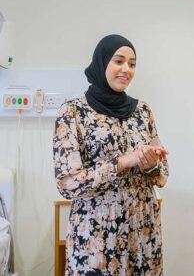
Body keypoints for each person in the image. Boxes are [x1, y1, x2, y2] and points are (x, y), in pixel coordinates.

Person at [53, 34, 169, 276]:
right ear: (101, 62)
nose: (126, 69)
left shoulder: (143, 111)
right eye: (118, 61)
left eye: (132, 63)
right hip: (95, 237)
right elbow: (67, 183)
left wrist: (151, 164)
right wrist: (123, 162)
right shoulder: (73, 112)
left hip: (142, 233)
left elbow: (163, 176)